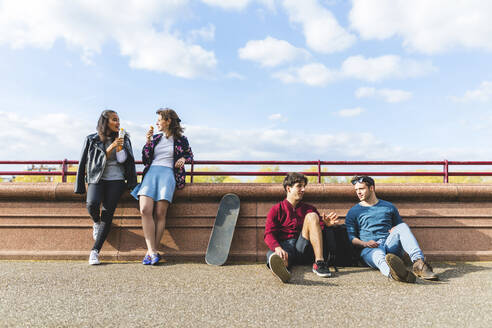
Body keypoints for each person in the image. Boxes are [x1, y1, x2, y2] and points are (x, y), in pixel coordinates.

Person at [345, 175, 438, 282]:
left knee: (402, 227)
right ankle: (395, 274)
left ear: (371, 188)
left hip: (390, 246)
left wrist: (395, 229)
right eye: (356, 190)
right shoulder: (353, 211)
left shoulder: (389, 207)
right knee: (379, 256)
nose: (358, 192)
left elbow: (400, 227)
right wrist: (364, 244)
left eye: (361, 189)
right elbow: (351, 237)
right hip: (370, 249)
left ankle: (419, 264)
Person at [131, 108, 193, 265]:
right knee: (145, 209)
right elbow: (146, 159)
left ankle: (151, 252)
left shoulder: (181, 139)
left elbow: (190, 155)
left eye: (159, 119)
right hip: (151, 173)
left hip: (168, 175)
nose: (157, 123)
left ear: (168, 121)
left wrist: (184, 160)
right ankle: (152, 251)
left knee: (160, 213)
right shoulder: (155, 138)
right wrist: (147, 142)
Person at [75, 110, 137, 265]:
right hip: (97, 177)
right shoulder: (92, 139)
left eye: (119, 120)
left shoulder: (124, 139)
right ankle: (96, 222)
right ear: (105, 121)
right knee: (92, 204)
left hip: (116, 179)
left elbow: (123, 161)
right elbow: (87, 162)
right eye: (114, 120)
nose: (118, 123)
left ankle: (95, 251)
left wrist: (119, 148)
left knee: (108, 213)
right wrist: (110, 148)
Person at [264, 172, 339, 283]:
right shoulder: (276, 209)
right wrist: (277, 247)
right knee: (273, 256)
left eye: (304, 186)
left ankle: (319, 263)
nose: (303, 189)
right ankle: (283, 268)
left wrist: (326, 225)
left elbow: (317, 231)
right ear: (288, 189)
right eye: (299, 186)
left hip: (303, 247)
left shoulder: (309, 209)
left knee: (312, 216)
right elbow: (268, 234)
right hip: (285, 248)